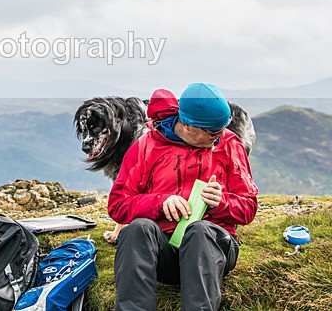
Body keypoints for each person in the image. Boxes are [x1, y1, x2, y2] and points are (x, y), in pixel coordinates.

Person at [107, 82, 258, 311]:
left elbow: (248, 207)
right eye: (212, 133)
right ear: (187, 126)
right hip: (164, 254)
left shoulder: (229, 144)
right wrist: (159, 202)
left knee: (200, 231)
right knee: (137, 229)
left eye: (221, 131)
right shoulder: (147, 146)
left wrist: (220, 203)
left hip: (213, 250)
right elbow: (117, 205)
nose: (218, 138)